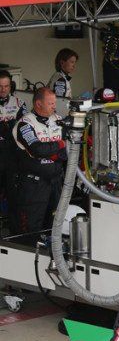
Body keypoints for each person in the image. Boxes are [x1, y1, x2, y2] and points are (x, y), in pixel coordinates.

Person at [13, 87, 65, 242]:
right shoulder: (25, 124)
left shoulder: (58, 119)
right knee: (31, 230)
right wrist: (59, 145)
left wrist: (57, 150)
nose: (54, 106)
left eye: (54, 103)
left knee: (54, 227)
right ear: (38, 104)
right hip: (33, 185)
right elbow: (37, 150)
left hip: (55, 182)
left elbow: (68, 151)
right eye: (50, 103)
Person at [0, 70, 26, 224]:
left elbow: (23, 127)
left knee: (13, 192)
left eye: (6, 86)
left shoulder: (18, 103)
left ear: (11, 86)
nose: (3, 89)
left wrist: (9, 127)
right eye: (0, 86)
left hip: (11, 153)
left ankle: (14, 227)